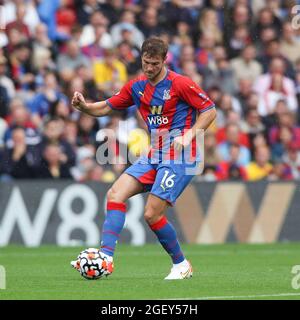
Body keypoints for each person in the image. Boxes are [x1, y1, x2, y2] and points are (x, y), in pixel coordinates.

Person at [70, 37, 217, 280]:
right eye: (146, 62)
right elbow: (107, 107)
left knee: (151, 214)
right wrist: (85, 107)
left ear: (164, 60)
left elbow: (209, 110)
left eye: (155, 64)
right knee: (115, 194)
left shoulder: (180, 84)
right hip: (156, 153)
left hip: (182, 155)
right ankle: (106, 258)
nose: (149, 68)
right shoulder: (136, 86)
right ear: (141, 58)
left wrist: (189, 136)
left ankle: (181, 264)